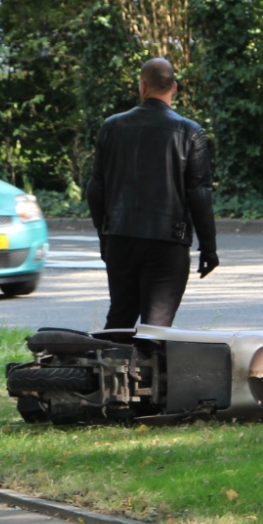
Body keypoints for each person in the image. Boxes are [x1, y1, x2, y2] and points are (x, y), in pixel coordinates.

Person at [86, 58, 219, 329]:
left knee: (119, 319)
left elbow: (96, 187)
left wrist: (105, 234)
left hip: (120, 238)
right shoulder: (190, 132)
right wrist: (208, 246)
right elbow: (200, 193)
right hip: (167, 243)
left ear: (142, 86)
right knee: (156, 327)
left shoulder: (111, 127)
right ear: (175, 88)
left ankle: (110, 368)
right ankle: (148, 370)